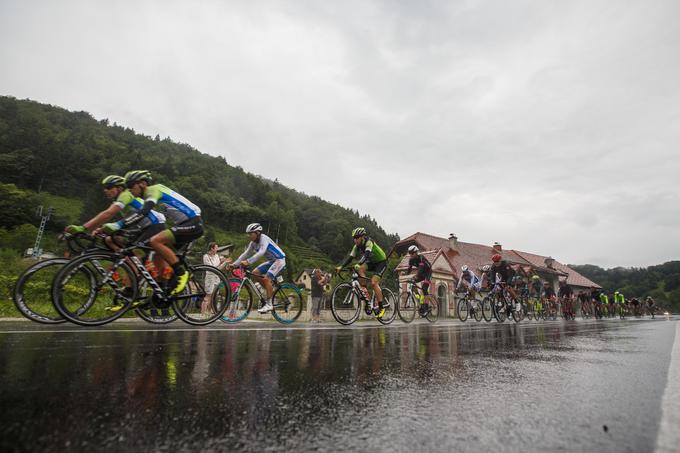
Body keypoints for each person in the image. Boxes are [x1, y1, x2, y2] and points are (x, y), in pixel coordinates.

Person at [102, 170, 204, 295]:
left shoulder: (154, 190)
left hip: (193, 222)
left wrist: (118, 225)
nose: (129, 190)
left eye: (131, 186)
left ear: (143, 184)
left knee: (155, 241)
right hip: (184, 224)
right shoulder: (148, 195)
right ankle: (162, 290)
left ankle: (181, 273)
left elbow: (144, 212)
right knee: (157, 254)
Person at [65, 175, 166, 246]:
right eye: (105, 188)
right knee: (110, 240)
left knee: (133, 253)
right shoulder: (118, 200)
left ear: (120, 188)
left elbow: (108, 214)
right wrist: (96, 230)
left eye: (109, 187)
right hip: (142, 226)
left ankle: (133, 272)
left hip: (154, 224)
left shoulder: (126, 195)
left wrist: (83, 228)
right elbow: (105, 217)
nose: (105, 190)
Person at [229, 223, 286, 314]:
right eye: (248, 234)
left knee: (267, 278)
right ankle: (268, 289)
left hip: (280, 260)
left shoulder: (264, 238)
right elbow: (245, 254)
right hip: (272, 261)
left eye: (250, 234)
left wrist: (248, 261)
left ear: (257, 233)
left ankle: (269, 304)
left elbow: (261, 252)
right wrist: (235, 264)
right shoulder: (253, 243)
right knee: (255, 272)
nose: (249, 236)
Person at [336, 227, 388, 317]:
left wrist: (359, 263)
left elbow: (367, 255)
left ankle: (381, 307)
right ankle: (364, 289)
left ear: (362, 237)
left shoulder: (369, 242)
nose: (355, 240)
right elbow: (350, 257)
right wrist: (341, 266)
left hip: (381, 261)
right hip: (372, 262)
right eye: (354, 238)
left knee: (373, 282)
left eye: (357, 237)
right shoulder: (356, 246)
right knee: (360, 269)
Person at [202, 242, 228, 315]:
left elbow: (218, 268)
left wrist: (225, 263)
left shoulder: (217, 256)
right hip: (210, 277)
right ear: (212, 248)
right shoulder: (206, 256)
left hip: (216, 277)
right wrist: (221, 262)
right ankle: (202, 314)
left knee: (214, 296)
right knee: (208, 295)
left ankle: (209, 312)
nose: (217, 249)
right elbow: (211, 267)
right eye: (216, 247)